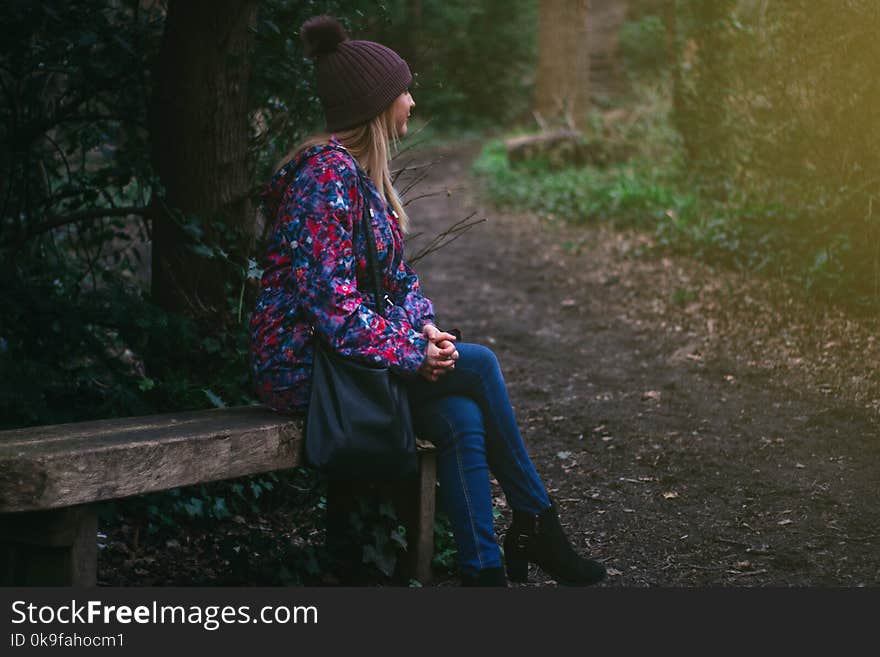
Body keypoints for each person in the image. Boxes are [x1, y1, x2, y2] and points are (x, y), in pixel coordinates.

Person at [249, 15, 606, 587]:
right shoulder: (324, 179)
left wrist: (427, 333)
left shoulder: (360, 179)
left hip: (349, 363)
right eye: (403, 91)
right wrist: (413, 352)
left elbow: (399, 286)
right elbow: (331, 307)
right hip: (305, 369)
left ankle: (484, 573)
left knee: (463, 414)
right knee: (482, 364)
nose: (411, 101)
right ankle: (537, 521)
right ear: (377, 104)